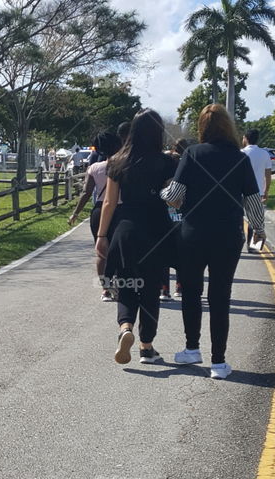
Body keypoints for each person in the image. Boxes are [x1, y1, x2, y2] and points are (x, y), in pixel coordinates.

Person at [162, 104, 265, 380]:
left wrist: (162, 192)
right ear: (228, 127)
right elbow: (253, 200)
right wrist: (258, 229)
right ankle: (219, 363)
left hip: (192, 235)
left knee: (192, 293)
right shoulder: (239, 159)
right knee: (220, 297)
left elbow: (174, 195)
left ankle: (192, 348)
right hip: (228, 236)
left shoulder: (193, 154)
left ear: (202, 127)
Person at [96, 110, 177, 365]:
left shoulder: (117, 161)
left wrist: (101, 234)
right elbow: (174, 199)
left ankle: (125, 328)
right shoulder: (167, 163)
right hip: (156, 229)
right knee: (151, 289)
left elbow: (109, 202)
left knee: (127, 283)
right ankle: (146, 346)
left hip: (125, 229)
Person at [68, 131, 122, 300]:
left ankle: (105, 289)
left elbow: (86, 193)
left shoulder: (94, 168)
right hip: (120, 210)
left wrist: (75, 213)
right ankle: (120, 285)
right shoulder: (124, 166)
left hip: (99, 211)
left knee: (101, 252)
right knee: (120, 251)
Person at [160, 138, 189, 300]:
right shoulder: (187, 174)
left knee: (164, 255)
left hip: (165, 219)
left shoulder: (164, 180)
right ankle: (180, 286)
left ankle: (164, 289)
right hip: (182, 219)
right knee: (182, 255)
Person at [241, 129, 272, 247]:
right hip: (257, 192)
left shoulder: (241, 153)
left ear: (245, 138)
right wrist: (266, 191)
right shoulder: (264, 154)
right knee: (255, 221)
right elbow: (268, 176)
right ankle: (254, 246)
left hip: (240, 192)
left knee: (239, 218)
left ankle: (238, 243)